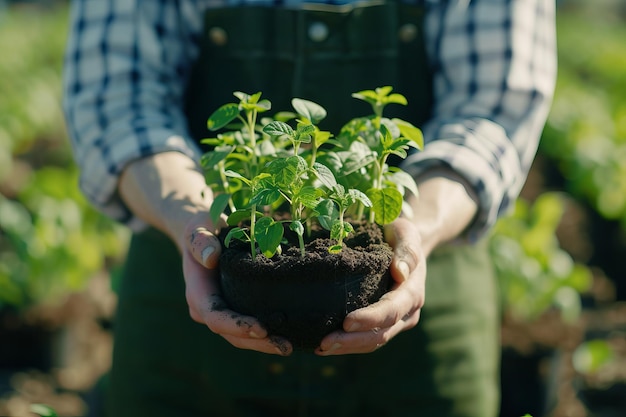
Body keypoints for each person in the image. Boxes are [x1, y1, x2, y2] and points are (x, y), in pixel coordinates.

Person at [62, 0, 557, 416]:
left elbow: (493, 105)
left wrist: (416, 227)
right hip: (181, 311)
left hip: (423, 326)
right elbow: (117, 96)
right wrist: (192, 218)